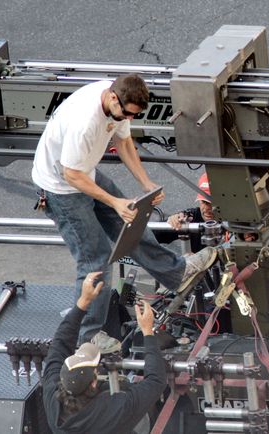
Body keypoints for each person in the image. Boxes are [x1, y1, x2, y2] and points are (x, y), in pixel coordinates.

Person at [31, 73, 216, 344]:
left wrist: (145, 183)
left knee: (131, 222)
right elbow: (71, 175)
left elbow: (124, 142)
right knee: (96, 261)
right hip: (61, 189)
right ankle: (88, 338)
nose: (128, 120)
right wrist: (114, 202)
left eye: (133, 116)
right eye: (126, 115)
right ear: (113, 99)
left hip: (83, 174)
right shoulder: (85, 122)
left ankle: (177, 273)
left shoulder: (118, 106)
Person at [43, 271, 166, 434]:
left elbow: (59, 346)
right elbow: (156, 381)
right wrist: (148, 331)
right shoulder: (114, 410)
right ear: (94, 382)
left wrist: (83, 303)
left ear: (62, 382)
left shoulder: (53, 401)